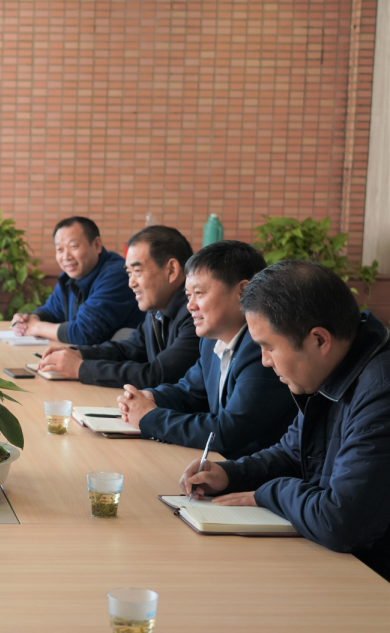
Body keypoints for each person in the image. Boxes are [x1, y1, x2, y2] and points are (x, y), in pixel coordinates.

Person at [182, 260, 390, 581]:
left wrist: (268, 492)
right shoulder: (333, 369)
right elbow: (292, 454)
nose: (265, 361)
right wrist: (229, 474)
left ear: (319, 340)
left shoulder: (380, 392)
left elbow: (341, 522)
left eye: (268, 347)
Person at [117, 240, 295, 458]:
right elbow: (189, 393)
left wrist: (149, 417)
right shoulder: (211, 341)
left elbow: (228, 432)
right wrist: (150, 397)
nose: (190, 306)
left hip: (255, 472)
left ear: (243, 291)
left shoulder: (262, 349)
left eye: (199, 293)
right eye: (188, 295)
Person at [38, 225, 200, 388]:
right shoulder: (156, 310)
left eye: (138, 271)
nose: (131, 283)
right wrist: (79, 353)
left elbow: (158, 376)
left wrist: (80, 368)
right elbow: (128, 350)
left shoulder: (196, 315)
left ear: (171, 270)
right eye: (129, 273)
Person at [10, 216, 142, 345]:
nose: (66, 257)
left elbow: (85, 333)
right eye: (59, 249)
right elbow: (51, 311)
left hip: (125, 359)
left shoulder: (117, 275)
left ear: (97, 245)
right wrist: (28, 321)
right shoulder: (71, 276)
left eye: (73, 246)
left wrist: (36, 327)